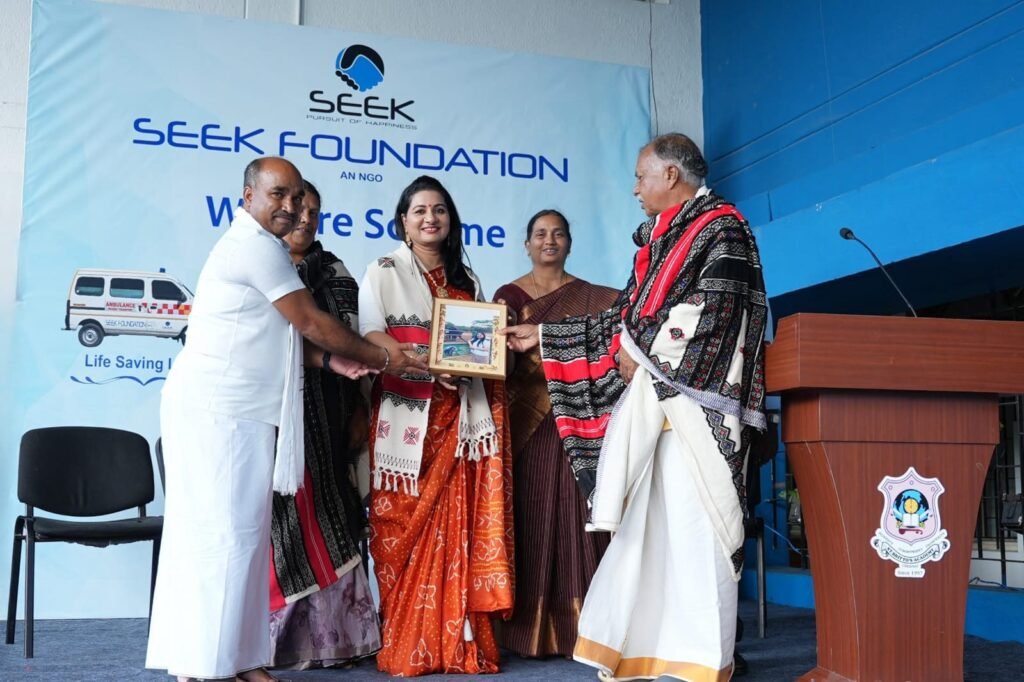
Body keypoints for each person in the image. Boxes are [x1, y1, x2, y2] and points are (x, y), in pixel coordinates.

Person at [146, 157, 426, 682]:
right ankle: (204, 666)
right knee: (222, 538)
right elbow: (310, 321)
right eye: (278, 194)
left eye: (297, 196)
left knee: (247, 540)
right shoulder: (252, 246)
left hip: (247, 411)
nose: (291, 206)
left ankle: (242, 658)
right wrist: (382, 358)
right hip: (218, 410)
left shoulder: (267, 248)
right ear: (248, 196)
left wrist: (333, 361)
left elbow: (282, 338)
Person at [502, 134, 768, 681]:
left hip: (698, 415)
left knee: (699, 537)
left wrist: (637, 347)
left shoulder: (723, 229)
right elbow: (622, 317)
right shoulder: (661, 241)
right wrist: (544, 336)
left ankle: (707, 659)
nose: (635, 189)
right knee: (652, 538)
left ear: (671, 175)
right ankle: (654, 651)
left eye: (641, 176)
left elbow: (712, 313)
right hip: (656, 415)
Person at [358, 175, 514, 677]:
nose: (431, 218)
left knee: (456, 525)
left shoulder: (467, 280)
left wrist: (489, 349)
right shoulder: (383, 271)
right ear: (403, 222)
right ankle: (408, 640)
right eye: (420, 210)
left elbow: (481, 349)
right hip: (407, 418)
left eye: (440, 210)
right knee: (400, 528)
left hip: (461, 419)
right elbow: (371, 336)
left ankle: (455, 642)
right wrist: (430, 365)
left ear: (451, 220)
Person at [492, 209, 618, 658]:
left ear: (569, 243)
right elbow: (500, 365)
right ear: (526, 244)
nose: (549, 240)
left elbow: (610, 345)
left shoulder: (598, 300)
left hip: (580, 421)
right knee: (534, 516)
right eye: (540, 234)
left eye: (558, 233)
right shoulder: (507, 296)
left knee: (584, 515)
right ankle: (532, 630)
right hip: (529, 426)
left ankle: (593, 626)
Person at [267, 180, 380, 669]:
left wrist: (359, 410)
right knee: (281, 523)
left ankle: (337, 642)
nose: (306, 218)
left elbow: (355, 344)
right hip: (274, 419)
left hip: (332, 416)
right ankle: (275, 645)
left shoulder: (336, 273)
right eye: (298, 208)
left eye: (314, 211)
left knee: (337, 516)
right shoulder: (262, 267)